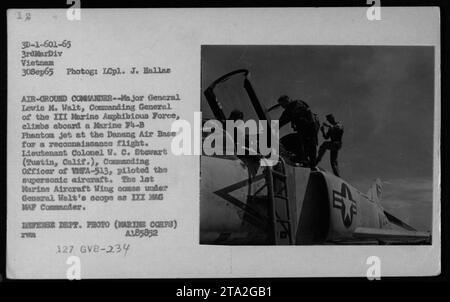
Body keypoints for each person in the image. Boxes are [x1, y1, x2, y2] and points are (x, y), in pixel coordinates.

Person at [277, 95, 318, 166]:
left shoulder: (295, 104)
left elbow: (284, 119)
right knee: (285, 141)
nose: (283, 107)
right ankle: (305, 160)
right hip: (307, 131)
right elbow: (282, 120)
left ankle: (305, 161)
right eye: (281, 105)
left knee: (288, 142)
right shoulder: (293, 107)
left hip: (308, 130)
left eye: (283, 104)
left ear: (288, 100)